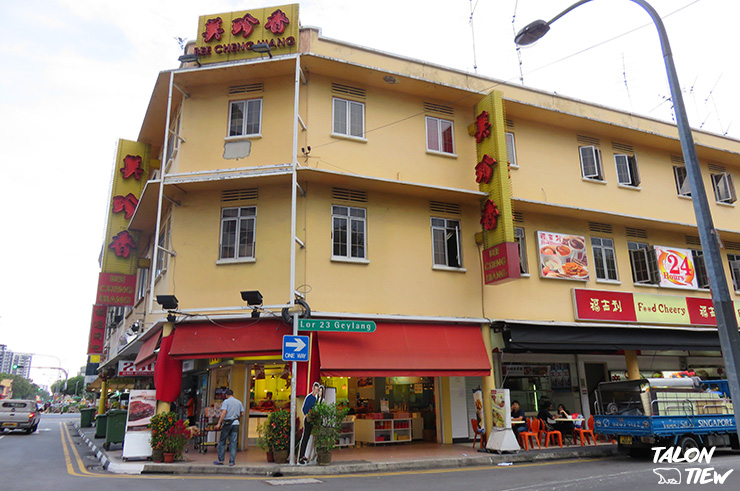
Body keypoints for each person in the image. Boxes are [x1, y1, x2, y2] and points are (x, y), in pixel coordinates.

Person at [213, 388, 244, 467]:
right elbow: (242, 413)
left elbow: (224, 412)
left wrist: (219, 423)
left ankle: (221, 460)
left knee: (222, 442)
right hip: (236, 423)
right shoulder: (239, 402)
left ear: (226, 395)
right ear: (233, 394)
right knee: (233, 443)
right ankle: (232, 461)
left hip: (227, 424)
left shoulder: (226, 402)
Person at [298, 382, 321, 465]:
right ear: (313, 389)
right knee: (305, 437)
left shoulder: (316, 399)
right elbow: (304, 408)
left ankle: (305, 455)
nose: (316, 391)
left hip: (313, 420)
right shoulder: (309, 397)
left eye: (317, 390)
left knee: (309, 438)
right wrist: (307, 414)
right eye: (315, 390)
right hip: (308, 420)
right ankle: (301, 456)